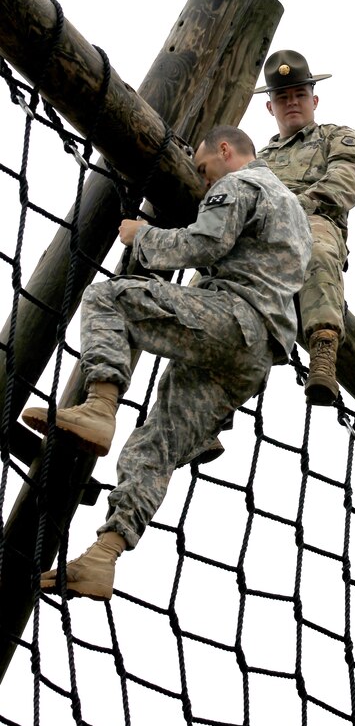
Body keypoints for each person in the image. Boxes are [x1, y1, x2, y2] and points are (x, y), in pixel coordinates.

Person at [21, 125, 312, 600]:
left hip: (232, 316)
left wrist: (143, 236)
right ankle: (103, 557)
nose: (202, 181)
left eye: (202, 169)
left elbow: (204, 245)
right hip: (255, 358)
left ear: (225, 150)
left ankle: (99, 406)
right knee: (158, 444)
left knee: (108, 299)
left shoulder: (241, 184)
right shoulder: (296, 214)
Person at [255, 49, 355, 406]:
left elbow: (344, 184)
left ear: (314, 99)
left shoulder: (338, 138)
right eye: (283, 97)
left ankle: (323, 351)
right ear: (270, 107)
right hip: (260, 243)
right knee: (213, 281)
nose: (292, 103)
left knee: (316, 245)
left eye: (300, 95)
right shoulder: (256, 161)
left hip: (314, 222)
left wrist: (287, 211)